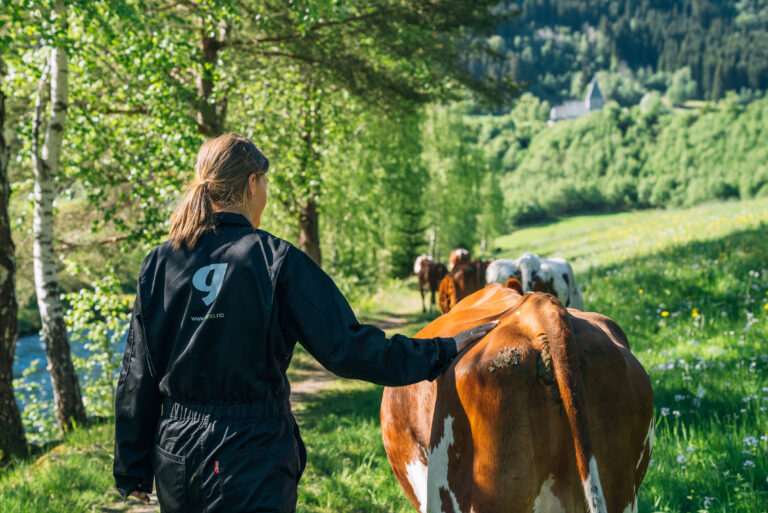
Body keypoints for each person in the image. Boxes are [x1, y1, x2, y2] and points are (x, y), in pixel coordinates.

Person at [113, 133, 497, 513]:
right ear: (252, 183)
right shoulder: (274, 260)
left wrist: (132, 467)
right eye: (264, 185)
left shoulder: (159, 264)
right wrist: (443, 349)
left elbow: (137, 374)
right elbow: (349, 348)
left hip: (178, 458)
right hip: (251, 455)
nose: (264, 196)